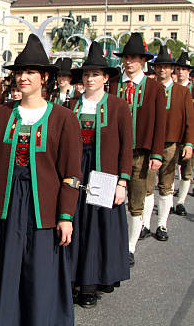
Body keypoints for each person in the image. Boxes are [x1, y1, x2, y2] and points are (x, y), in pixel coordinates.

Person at [0, 33, 82, 326]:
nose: (23, 78)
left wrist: (66, 216)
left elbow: (71, 173)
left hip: (43, 210)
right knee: (3, 268)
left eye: (30, 72)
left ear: (44, 78)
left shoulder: (63, 118)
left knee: (38, 273)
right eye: (20, 72)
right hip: (4, 207)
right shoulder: (1, 114)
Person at [67, 42, 132, 308]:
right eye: (86, 74)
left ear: (106, 78)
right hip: (76, 170)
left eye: (95, 74)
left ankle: (90, 284)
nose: (90, 78)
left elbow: (126, 145)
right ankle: (70, 279)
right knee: (73, 222)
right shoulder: (71, 104)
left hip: (103, 173)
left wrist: (122, 182)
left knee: (95, 229)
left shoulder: (117, 106)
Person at [108, 32, 166, 267]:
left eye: (134, 58)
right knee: (109, 198)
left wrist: (157, 153)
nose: (129, 62)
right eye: (126, 58)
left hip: (140, 151)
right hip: (113, 150)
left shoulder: (154, 88)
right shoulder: (113, 85)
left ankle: (130, 247)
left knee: (136, 199)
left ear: (143, 61)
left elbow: (160, 123)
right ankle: (112, 242)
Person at [140, 46, 193, 240]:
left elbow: (189, 120)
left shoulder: (182, 91)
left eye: (166, 67)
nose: (162, 70)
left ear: (172, 69)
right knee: (147, 184)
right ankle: (144, 224)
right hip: (151, 141)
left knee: (166, 183)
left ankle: (161, 224)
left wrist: (189, 143)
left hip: (171, 142)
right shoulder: (148, 88)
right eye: (159, 66)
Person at [173, 52, 194, 214]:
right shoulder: (170, 88)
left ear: (188, 72)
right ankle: (170, 195)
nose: (180, 72)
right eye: (178, 69)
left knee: (186, 168)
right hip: (173, 133)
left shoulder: (191, 89)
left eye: (184, 69)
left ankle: (180, 201)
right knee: (170, 168)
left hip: (188, 133)